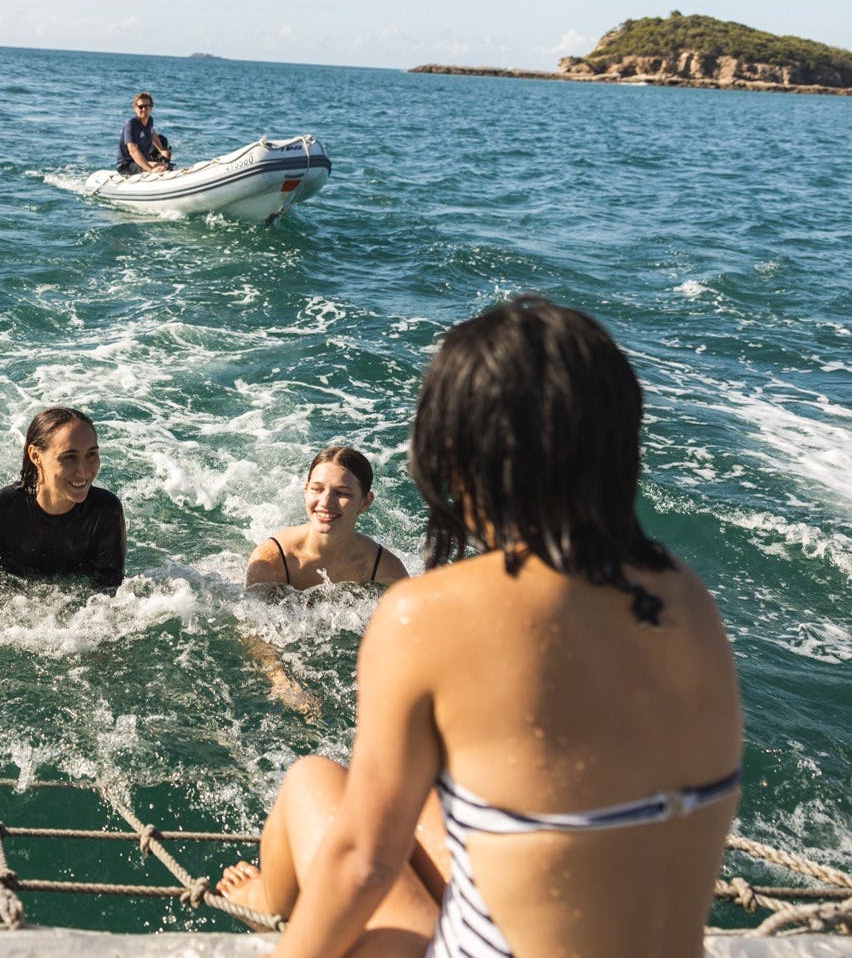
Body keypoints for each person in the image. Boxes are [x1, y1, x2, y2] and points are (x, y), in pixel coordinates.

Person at [218, 296, 743, 957]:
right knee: (422, 801)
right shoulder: (684, 594)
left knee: (314, 781)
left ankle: (267, 900)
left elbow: (363, 865)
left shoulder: (428, 611)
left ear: (461, 455)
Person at [0, 407, 126, 593]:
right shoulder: (0, 512)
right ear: (36, 456)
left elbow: (110, 591)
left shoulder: (106, 512)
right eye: (69, 457)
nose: (83, 471)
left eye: (91, 454)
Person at [246, 446, 409, 593]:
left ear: (365, 502)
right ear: (306, 491)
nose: (325, 502)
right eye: (317, 489)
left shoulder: (385, 570)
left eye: (342, 493)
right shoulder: (271, 560)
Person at [115, 92, 169, 175]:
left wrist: (161, 150)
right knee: (162, 168)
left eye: (147, 106)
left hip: (143, 158)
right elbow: (133, 151)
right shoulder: (131, 124)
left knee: (162, 140)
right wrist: (151, 169)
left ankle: (154, 164)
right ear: (135, 108)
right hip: (127, 164)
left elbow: (152, 132)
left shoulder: (150, 120)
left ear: (151, 108)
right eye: (140, 107)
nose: (144, 109)